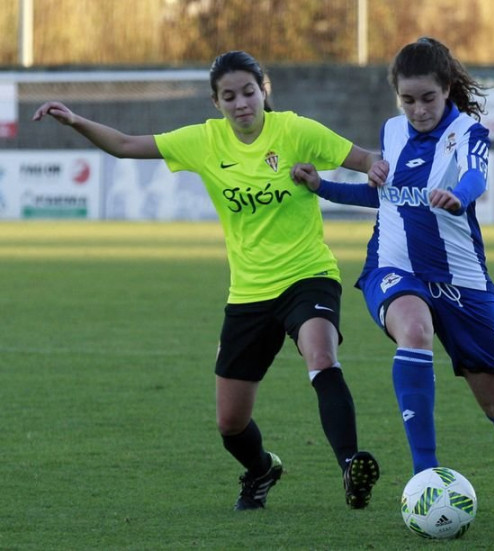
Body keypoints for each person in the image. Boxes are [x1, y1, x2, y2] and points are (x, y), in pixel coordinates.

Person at [32, 50, 381, 512]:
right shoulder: (204, 141)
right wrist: (75, 120)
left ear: (264, 91)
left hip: (308, 274)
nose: (241, 104)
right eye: (229, 96)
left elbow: (365, 159)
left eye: (249, 92)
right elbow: (125, 145)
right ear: (216, 103)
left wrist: (381, 167)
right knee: (230, 424)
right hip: (249, 291)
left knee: (321, 355)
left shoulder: (296, 130)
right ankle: (261, 469)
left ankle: (350, 466)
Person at [291, 37, 494, 522]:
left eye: (428, 98)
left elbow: (475, 178)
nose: (418, 109)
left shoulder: (468, 132)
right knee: (414, 330)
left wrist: (458, 196)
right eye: (408, 99)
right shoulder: (393, 132)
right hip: (393, 266)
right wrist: (324, 187)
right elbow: (384, 198)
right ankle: (426, 475)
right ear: (396, 97)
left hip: (462, 281)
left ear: (446, 90)